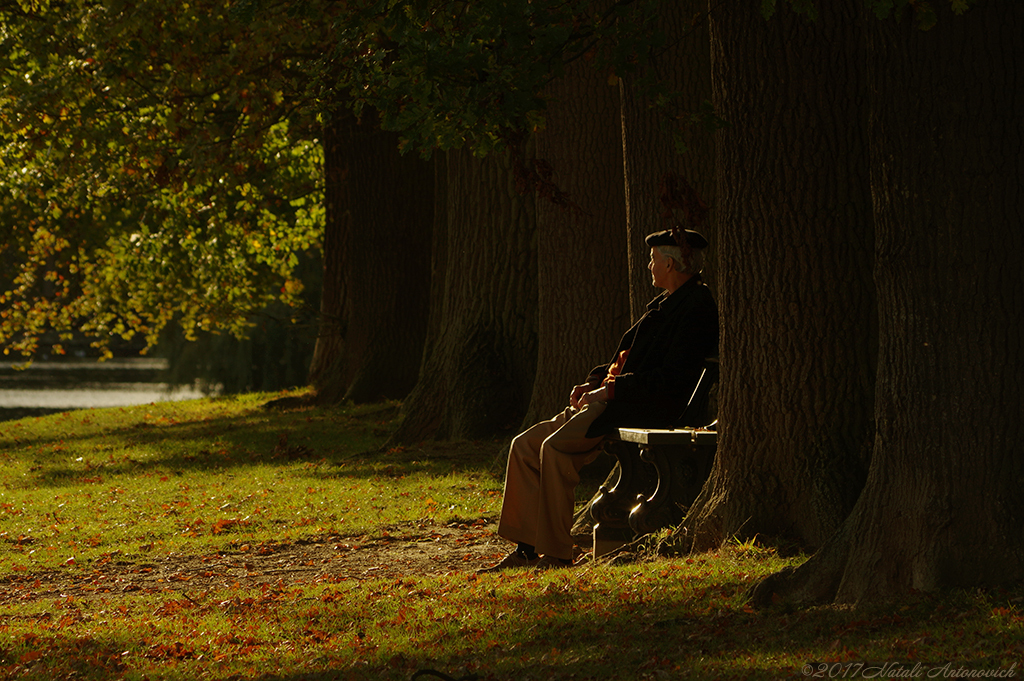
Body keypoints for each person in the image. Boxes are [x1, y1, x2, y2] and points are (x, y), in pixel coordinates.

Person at [481, 228, 719, 572]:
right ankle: (527, 550)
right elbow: (625, 358)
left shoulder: (696, 306)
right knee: (524, 445)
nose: (649, 266)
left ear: (670, 263)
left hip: (636, 406)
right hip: (611, 401)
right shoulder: (667, 303)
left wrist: (608, 391)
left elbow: (670, 379)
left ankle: (558, 553)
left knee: (556, 447)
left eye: (653, 260)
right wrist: (592, 382)